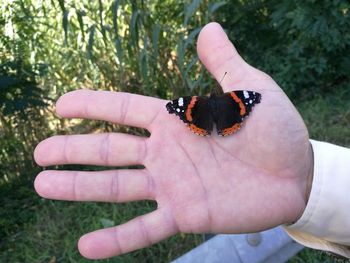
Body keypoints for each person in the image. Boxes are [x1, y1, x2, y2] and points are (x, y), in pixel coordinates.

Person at [33, 22, 350, 259]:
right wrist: (308, 181)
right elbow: (228, 105)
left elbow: (180, 109)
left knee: (200, 117)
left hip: (206, 120)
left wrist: (306, 179)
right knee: (219, 117)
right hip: (226, 120)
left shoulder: (193, 105)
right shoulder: (236, 101)